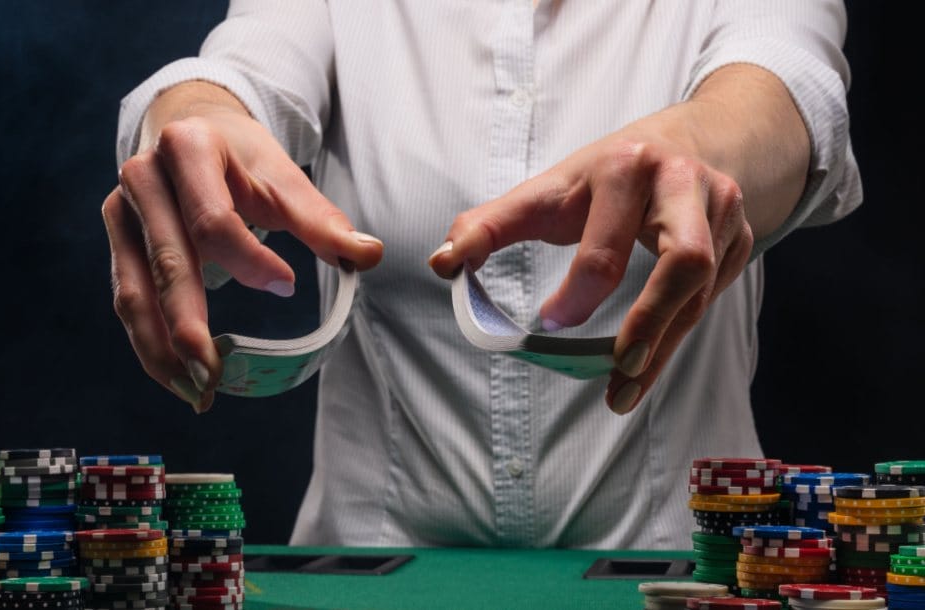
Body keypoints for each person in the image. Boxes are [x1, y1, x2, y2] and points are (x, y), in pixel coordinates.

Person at [103, 1, 861, 549]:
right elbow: (237, 70)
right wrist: (192, 118)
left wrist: (699, 146)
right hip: (370, 578)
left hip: (683, 574)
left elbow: (792, 91)